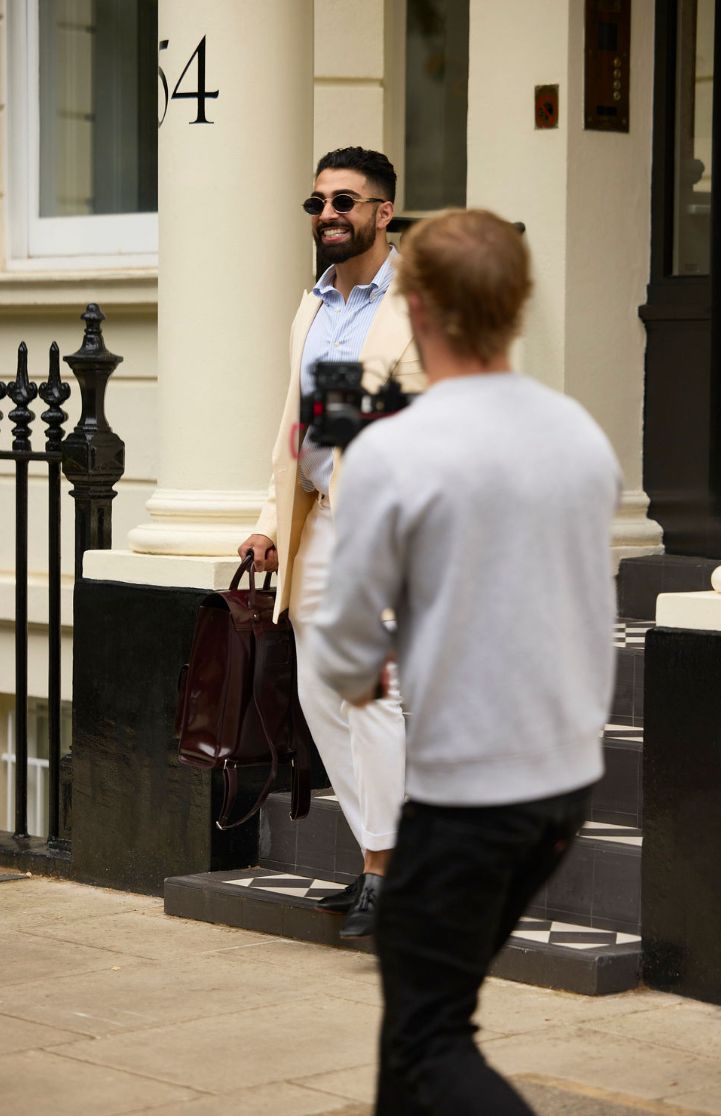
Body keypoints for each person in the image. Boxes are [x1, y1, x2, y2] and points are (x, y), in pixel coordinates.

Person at [310, 209, 621, 1114]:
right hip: (564, 785)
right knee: (417, 1023)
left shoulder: (395, 451)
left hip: (472, 796)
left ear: (412, 306)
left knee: (427, 1035)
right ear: (520, 306)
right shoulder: (580, 436)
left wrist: (370, 665)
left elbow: (341, 649)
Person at [238, 147, 424, 939]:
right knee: (321, 696)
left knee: (372, 695)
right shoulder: (312, 307)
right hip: (318, 522)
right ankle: (382, 857)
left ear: (384, 212)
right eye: (317, 204)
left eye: (345, 202)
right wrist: (269, 521)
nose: (328, 216)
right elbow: (299, 422)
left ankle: (390, 872)